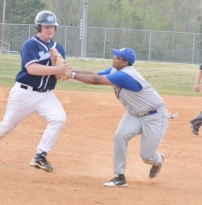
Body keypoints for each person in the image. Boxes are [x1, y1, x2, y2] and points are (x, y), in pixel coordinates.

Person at [0, 10, 70, 174]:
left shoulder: (58, 47)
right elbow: (31, 69)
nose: (50, 30)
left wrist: (57, 61)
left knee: (59, 118)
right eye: (46, 26)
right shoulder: (30, 45)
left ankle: (40, 155)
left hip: (46, 94)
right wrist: (57, 67)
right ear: (38, 27)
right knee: (7, 125)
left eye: (52, 27)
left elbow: (60, 74)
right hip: (24, 93)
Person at [68, 48, 169, 187]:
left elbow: (96, 80)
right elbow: (94, 74)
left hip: (155, 116)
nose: (114, 58)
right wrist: (69, 71)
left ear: (126, 62)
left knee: (147, 156)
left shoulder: (126, 75)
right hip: (134, 113)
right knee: (119, 136)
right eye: (114, 56)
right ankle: (119, 176)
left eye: (117, 57)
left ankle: (159, 160)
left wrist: (72, 75)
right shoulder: (115, 70)